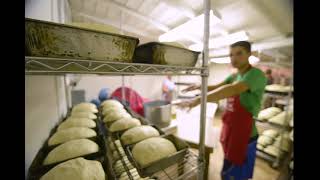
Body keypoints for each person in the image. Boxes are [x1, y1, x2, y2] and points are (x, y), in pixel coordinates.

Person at [176, 41, 267, 180]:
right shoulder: (235, 75)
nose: (234, 58)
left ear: (249, 54)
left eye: (239, 53)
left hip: (245, 134)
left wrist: (198, 100)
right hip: (231, 128)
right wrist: (199, 86)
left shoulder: (255, 74)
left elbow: (233, 89)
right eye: (231, 55)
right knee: (227, 169)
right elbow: (218, 87)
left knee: (238, 173)